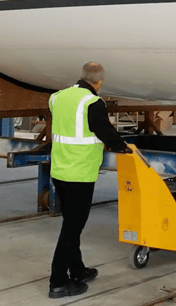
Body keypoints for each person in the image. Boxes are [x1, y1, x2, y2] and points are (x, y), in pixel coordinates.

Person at [48, 62, 130, 299]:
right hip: (80, 174)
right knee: (72, 229)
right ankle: (58, 282)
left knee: (71, 224)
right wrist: (122, 147)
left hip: (59, 171)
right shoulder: (93, 103)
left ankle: (77, 270)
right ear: (100, 81)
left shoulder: (57, 98)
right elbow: (104, 131)